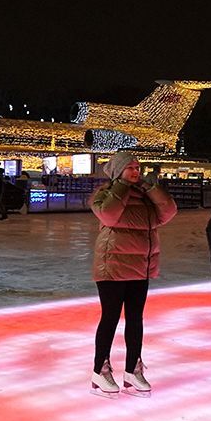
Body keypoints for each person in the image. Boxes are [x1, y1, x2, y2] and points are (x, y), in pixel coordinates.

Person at [89, 152, 178, 397]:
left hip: (140, 267)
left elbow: (168, 211)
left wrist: (151, 187)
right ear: (117, 172)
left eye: (137, 166)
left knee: (135, 319)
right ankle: (100, 371)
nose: (136, 171)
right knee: (110, 318)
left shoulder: (146, 197)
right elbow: (108, 214)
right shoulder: (105, 194)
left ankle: (132, 370)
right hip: (113, 265)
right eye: (129, 167)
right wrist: (121, 187)